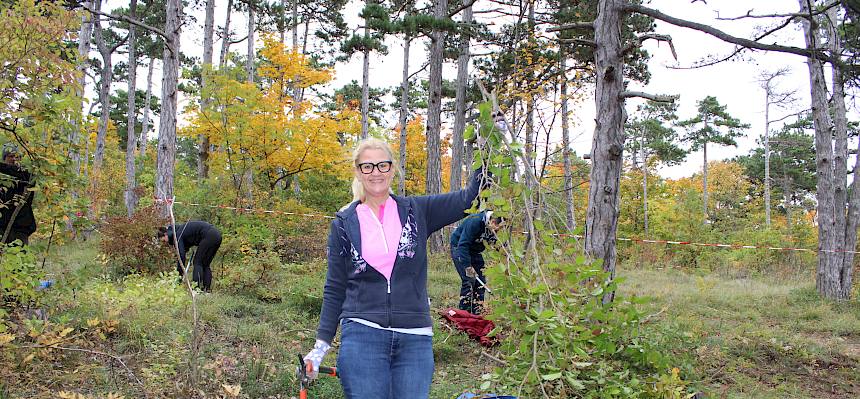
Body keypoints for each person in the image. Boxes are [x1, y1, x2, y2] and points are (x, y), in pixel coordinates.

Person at [303, 137, 488, 398]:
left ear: (392, 169)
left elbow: (472, 197)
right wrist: (321, 346)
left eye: (382, 165)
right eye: (367, 166)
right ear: (358, 171)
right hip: (362, 334)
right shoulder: (344, 223)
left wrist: (490, 144)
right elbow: (335, 287)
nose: (375, 172)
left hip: (415, 337)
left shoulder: (417, 210)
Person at [450, 211, 503, 315]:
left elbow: (497, 245)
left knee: (481, 282)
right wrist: (468, 267)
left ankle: (477, 313)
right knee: (469, 280)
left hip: (475, 251)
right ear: (492, 222)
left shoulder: (495, 228)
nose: (497, 230)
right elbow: (463, 245)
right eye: (497, 227)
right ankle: (464, 313)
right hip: (460, 247)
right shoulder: (475, 222)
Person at [158, 221, 222, 292]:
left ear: (166, 234)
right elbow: (185, 248)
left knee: (197, 262)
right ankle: (207, 290)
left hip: (209, 236)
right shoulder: (181, 230)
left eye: (164, 241)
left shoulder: (178, 235)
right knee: (205, 264)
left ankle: (195, 289)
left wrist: (179, 276)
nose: (166, 243)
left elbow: (181, 257)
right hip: (217, 235)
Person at [0, 144, 36, 246]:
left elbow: (16, 173)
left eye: (17, 157)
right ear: (4, 158)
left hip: (20, 229)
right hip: (1, 228)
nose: (14, 160)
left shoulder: (26, 176)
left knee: (21, 259)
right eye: (10, 156)